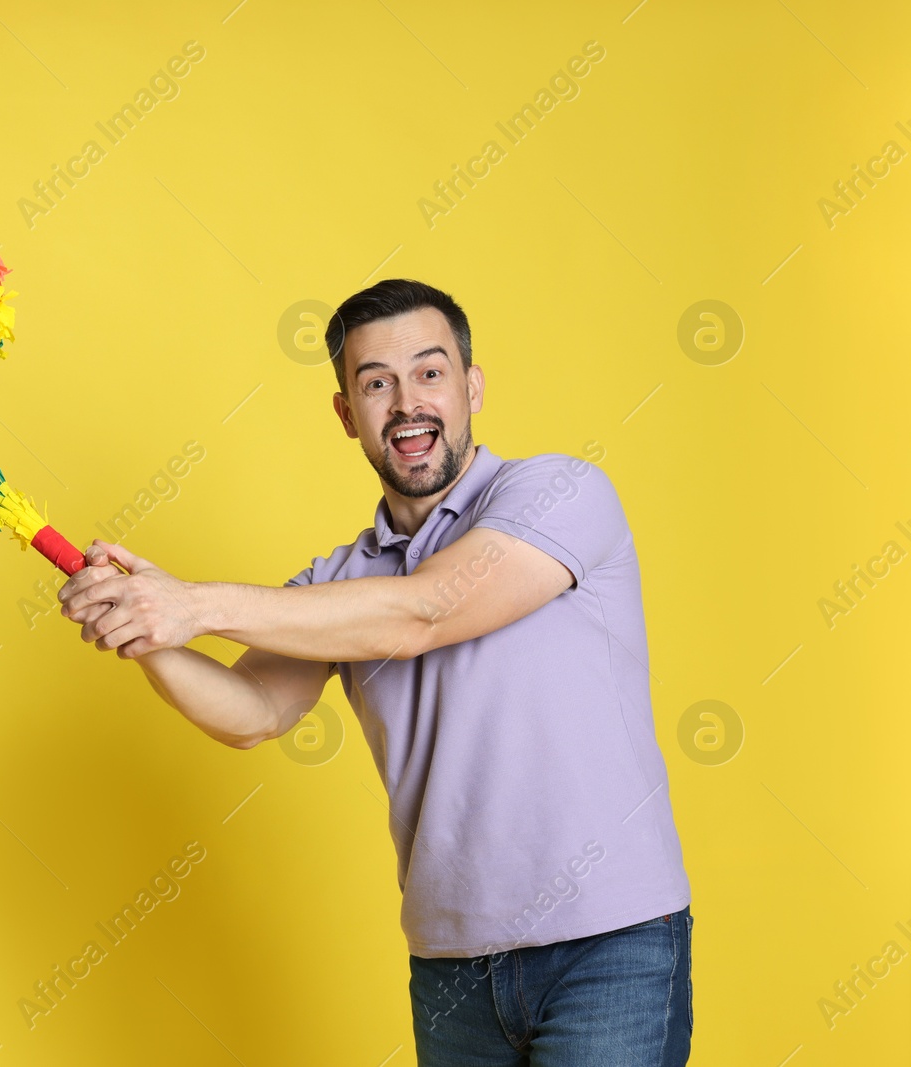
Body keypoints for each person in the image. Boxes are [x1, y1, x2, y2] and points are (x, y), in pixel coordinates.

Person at [56, 279, 693, 1065]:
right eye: (375, 383)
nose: (406, 403)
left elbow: (425, 610)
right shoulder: (340, 583)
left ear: (472, 385)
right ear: (346, 414)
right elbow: (252, 708)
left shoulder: (562, 493)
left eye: (429, 373)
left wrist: (190, 602)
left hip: (611, 947)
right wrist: (146, 629)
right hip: (451, 968)